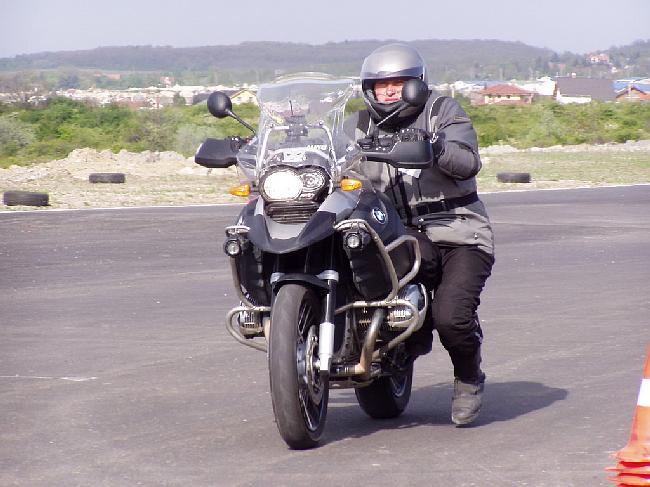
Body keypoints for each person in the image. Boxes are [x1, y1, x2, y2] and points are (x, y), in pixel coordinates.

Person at [344, 43, 495, 425]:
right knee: (364, 280)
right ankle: (404, 337)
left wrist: (436, 146)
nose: (389, 91)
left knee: (452, 317)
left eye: (398, 83)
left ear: (417, 85)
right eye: (381, 85)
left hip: (459, 230)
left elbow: (468, 162)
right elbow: (330, 157)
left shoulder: (443, 111)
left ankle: (468, 378)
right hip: (399, 234)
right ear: (368, 89)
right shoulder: (356, 125)